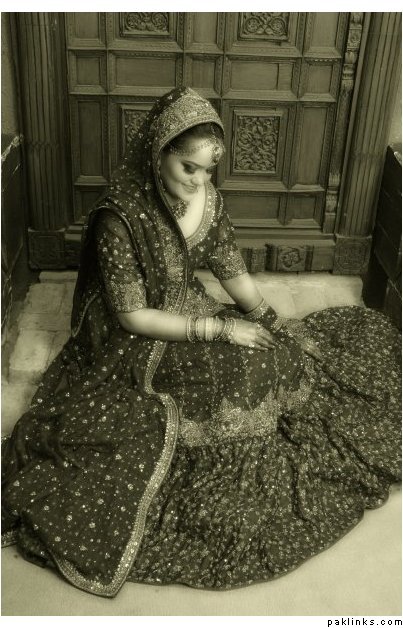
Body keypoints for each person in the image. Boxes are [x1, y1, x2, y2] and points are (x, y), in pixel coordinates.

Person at [2, 87, 401, 598]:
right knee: (229, 371)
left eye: (208, 170)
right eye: (188, 167)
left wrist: (267, 318)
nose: (198, 180)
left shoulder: (207, 200)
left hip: (186, 308)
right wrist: (221, 329)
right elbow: (130, 315)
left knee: (276, 355)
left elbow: (229, 267)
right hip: (132, 337)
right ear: (158, 153)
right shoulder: (119, 217)